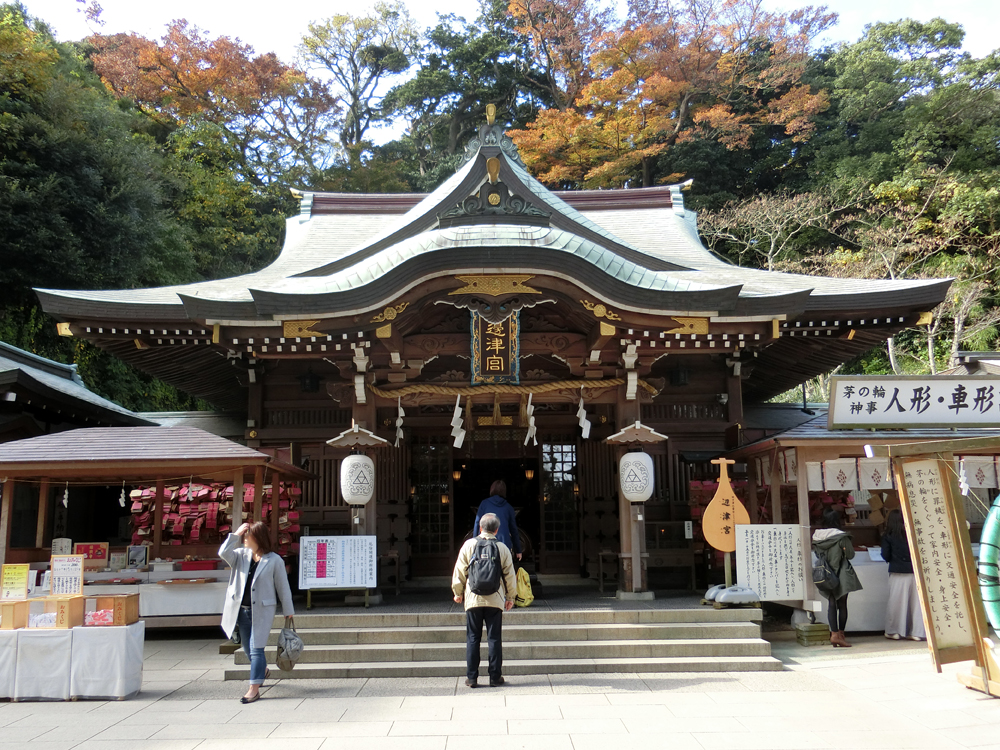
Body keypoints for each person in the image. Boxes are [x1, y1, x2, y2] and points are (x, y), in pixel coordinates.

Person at [219, 521, 295, 703]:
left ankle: (253, 689)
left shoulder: (274, 560)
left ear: (258, 539)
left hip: (262, 610)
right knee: (247, 648)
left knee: (256, 648)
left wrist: (288, 610)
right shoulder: (240, 556)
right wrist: (236, 534)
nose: (245, 540)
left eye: (248, 537)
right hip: (242, 611)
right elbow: (222, 553)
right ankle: (262, 670)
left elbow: (282, 587)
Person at [452, 513, 517, 688]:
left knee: (473, 637)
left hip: (473, 598)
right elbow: (510, 576)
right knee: (494, 638)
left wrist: (458, 592)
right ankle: (495, 677)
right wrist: (510, 597)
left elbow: (459, 570)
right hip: (495, 599)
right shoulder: (502, 548)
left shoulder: (469, 545)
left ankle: (472, 677)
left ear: (480, 528)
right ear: (496, 529)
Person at [812, 508, 863, 647]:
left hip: (825, 574)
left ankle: (834, 634)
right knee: (842, 605)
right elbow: (851, 555)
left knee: (832, 604)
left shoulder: (817, 538)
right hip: (841, 574)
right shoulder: (841, 537)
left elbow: (817, 555)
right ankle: (841, 634)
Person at [881, 509, 926, 641]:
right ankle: (918, 632)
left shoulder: (888, 535)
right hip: (916, 571)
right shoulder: (915, 533)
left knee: (896, 603)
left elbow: (886, 555)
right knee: (917, 604)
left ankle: (894, 631)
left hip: (898, 572)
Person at [474, 480, 522, 561]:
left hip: (485, 544)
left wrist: (475, 543)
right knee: (504, 571)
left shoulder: (484, 504)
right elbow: (514, 530)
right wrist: (518, 550)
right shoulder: (508, 507)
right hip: (504, 544)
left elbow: (477, 524)